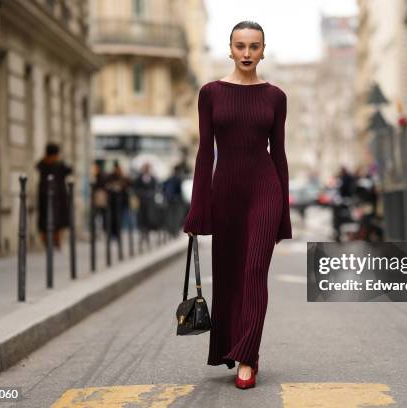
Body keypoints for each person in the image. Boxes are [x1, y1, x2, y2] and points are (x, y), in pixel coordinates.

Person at [182, 21, 292, 390]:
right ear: (230, 49)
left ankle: (248, 357)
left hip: (265, 189)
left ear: (263, 50)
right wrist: (198, 208)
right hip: (225, 190)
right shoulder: (210, 93)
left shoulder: (276, 97)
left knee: (254, 272)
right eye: (240, 46)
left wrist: (284, 217)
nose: (247, 53)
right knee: (228, 276)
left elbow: (279, 154)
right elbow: (203, 153)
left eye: (254, 46)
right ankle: (232, 346)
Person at [36, 143, 72, 249]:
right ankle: (47, 241)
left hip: (59, 196)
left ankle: (56, 241)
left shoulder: (59, 165)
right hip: (46, 196)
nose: (56, 157)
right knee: (45, 219)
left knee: (58, 219)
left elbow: (69, 170)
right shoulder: (43, 164)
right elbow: (37, 167)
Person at [133, 162, 159, 245]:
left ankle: (146, 234)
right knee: (141, 218)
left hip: (150, 203)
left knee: (149, 218)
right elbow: (135, 189)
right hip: (141, 202)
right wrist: (142, 193)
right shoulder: (138, 178)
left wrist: (150, 194)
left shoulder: (153, 178)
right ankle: (142, 234)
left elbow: (155, 189)